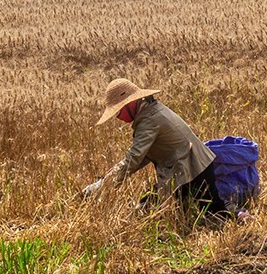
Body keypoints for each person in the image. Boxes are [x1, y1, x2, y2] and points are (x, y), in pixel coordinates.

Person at [84, 78, 227, 215]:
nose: (118, 117)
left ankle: (241, 217)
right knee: (210, 212)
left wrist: (104, 186)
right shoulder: (152, 110)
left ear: (130, 103)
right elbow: (143, 156)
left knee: (214, 216)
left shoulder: (149, 120)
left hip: (192, 172)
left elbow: (135, 157)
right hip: (194, 167)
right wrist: (106, 180)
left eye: (119, 111)